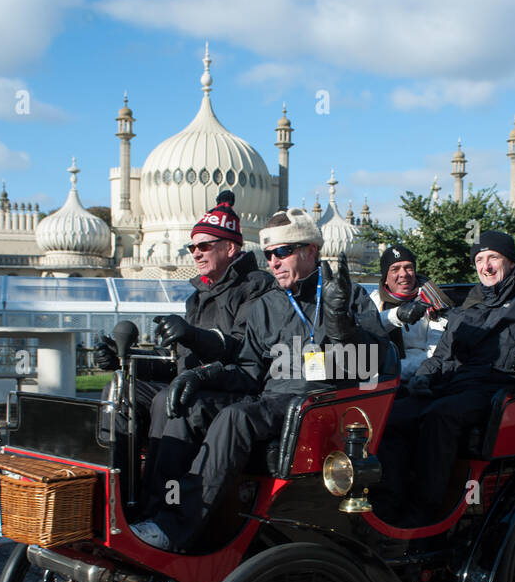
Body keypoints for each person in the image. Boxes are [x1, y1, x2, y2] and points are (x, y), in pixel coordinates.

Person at [132, 207, 390, 551]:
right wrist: (202, 375)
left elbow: (371, 363)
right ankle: (157, 515)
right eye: (268, 254)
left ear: (310, 250)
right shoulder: (267, 305)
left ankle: (177, 530)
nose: (273, 262)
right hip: (272, 399)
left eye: (282, 252)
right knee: (185, 407)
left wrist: (341, 321)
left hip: (322, 403)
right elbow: (249, 371)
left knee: (236, 417)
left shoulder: (347, 294)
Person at [375, 230, 515, 525]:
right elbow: (442, 355)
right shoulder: (470, 303)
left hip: (497, 386)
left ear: (510, 262)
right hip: (452, 385)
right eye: (480, 259)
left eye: (494, 257)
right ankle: (387, 504)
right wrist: (423, 378)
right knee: (391, 417)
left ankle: (425, 511)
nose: (486, 266)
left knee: (440, 416)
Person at [93, 191, 275, 507]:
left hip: (236, 386)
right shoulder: (198, 296)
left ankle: (163, 503)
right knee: (121, 389)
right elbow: (177, 363)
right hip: (194, 382)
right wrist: (127, 361)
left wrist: (193, 336)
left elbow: (245, 353)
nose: (195, 253)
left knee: (171, 399)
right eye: (192, 246)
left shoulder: (255, 288)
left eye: (204, 245)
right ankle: (118, 495)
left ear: (230, 248)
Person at [368, 243, 449, 379]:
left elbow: (436, 352)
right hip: (380, 378)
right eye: (395, 269)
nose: (403, 274)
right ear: (385, 278)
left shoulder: (432, 299)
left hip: (423, 375)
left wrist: (396, 369)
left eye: (408, 268)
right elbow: (366, 330)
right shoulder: (374, 301)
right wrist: (397, 316)